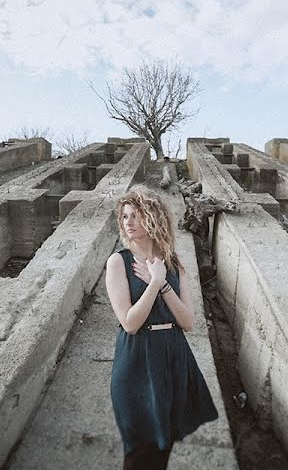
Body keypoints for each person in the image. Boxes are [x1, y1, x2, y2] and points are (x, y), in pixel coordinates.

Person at [106, 186, 218, 470]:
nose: (127, 222)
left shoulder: (174, 263)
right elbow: (129, 323)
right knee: (139, 450)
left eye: (135, 215)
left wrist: (163, 282)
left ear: (153, 218)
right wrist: (153, 283)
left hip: (172, 355)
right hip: (136, 358)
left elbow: (188, 321)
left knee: (162, 444)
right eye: (125, 216)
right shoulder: (118, 262)